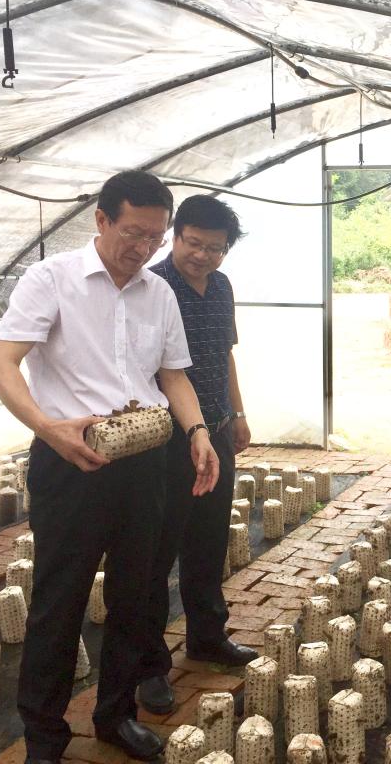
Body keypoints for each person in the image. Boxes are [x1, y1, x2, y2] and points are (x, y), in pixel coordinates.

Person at [0, 171, 220, 764]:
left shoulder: (158, 293)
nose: (143, 247)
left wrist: (197, 432)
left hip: (145, 463)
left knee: (136, 597)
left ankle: (115, 716)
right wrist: (48, 427)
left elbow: (172, 375)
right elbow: (2, 364)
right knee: (59, 602)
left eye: (155, 237)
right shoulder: (52, 279)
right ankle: (44, 737)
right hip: (71, 461)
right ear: (102, 219)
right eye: (133, 232)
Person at [137, 195, 258, 715]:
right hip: (166, 440)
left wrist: (238, 412)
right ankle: (149, 666)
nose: (203, 256)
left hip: (218, 431)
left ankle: (207, 637)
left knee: (209, 541)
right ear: (175, 236)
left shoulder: (222, 286)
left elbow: (224, 354)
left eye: (215, 248)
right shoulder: (150, 287)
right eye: (194, 243)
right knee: (156, 552)